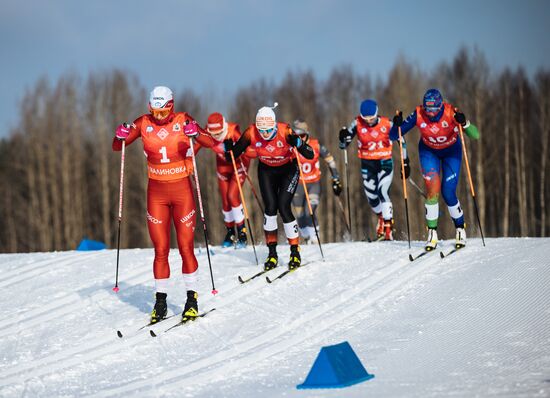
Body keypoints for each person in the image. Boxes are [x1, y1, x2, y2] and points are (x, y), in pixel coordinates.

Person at [112, 86, 214, 324]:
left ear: (171, 106)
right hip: (156, 193)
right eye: (154, 112)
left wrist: (195, 133)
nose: (158, 117)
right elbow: (119, 147)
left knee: (186, 247)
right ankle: (160, 302)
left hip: (182, 192)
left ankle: (191, 300)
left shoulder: (183, 120)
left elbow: (209, 142)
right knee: (160, 250)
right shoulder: (143, 123)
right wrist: (118, 135)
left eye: (162, 112)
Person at [224, 103, 314, 271]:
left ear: (274, 125)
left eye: (268, 130)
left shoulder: (285, 131)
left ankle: (295, 251)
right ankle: (272, 254)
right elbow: (231, 157)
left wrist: (298, 143)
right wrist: (228, 149)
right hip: (266, 170)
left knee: (283, 206)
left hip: (288, 169)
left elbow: (310, 154)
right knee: (270, 209)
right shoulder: (251, 132)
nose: (264, 134)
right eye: (261, 130)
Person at [389, 88, 480, 250]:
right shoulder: (418, 113)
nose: (429, 113)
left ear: (440, 106)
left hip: (452, 152)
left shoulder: (451, 112)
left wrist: (464, 123)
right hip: (428, 152)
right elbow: (393, 136)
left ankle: (460, 228)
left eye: (433, 109)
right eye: (427, 109)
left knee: (448, 191)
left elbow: (475, 135)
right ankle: (432, 233)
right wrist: (396, 125)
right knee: (432, 191)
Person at [339, 99, 408, 241]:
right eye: (366, 119)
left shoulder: (387, 123)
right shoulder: (357, 123)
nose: (369, 121)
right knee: (372, 198)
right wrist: (342, 138)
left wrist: (405, 162)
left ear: (377, 114)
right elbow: (344, 144)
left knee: (383, 192)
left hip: (385, 162)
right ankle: (382, 218)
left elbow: (402, 141)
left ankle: (388, 229)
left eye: (372, 118)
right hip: (367, 164)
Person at [199, 112, 255, 248]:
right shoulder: (207, 133)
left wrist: (236, 150)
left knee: (232, 195)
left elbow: (250, 150)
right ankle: (230, 232)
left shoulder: (233, 131)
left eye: (219, 133)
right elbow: (196, 145)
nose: (216, 136)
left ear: (223, 127)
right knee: (225, 200)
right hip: (223, 167)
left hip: (239, 165)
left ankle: (242, 232)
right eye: (213, 134)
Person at [291, 119, 342, 244]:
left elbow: (330, 159)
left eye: (302, 135)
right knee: (300, 214)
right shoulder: (291, 147)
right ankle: (307, 237)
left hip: (314, 184)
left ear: (307, 134)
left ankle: (315, 237)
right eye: (297, 136)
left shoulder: (316, 145)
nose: (300, 139)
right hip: (298, 185)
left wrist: (335, 177)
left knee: (310, 211)